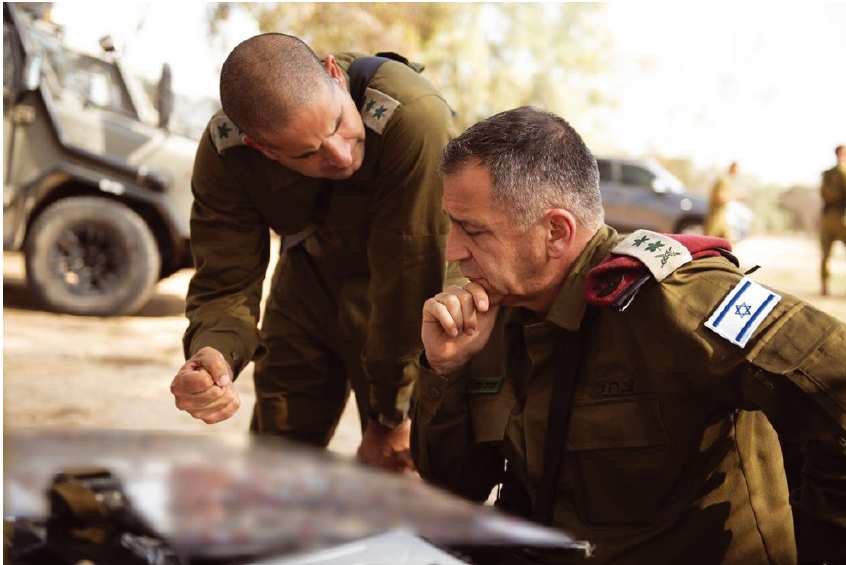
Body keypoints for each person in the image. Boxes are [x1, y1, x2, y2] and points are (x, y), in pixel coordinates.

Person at [412, 107, 846, 563]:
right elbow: (455, 489)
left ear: (555, 232)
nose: (453, 251)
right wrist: (448, 369)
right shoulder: (492, 314)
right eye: (452, 225)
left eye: (473, 230)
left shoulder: (677, 300)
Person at [170, 33, 457, 472]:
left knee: (408, 474)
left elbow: (411, 274)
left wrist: (391, 415)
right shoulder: (227, 152)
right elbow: (224, 283)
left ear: (334, 75)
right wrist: (212, 353)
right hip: (308, 278)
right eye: (307, 153)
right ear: (262, 149)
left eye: (339, 124)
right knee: (277, 464)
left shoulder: (412, 117)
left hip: (413, 299)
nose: (341, 157)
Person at [820, 145, 846, 296]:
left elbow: (823, 193)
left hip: (827, 216)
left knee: (825, 254)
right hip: (842, 217)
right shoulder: (843, 172)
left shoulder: (827, 174)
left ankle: (824, 287)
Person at [704, 161, 741, 240]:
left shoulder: (725, 180)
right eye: (738, 170)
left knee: (728, 243)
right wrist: (736, 194)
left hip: (722, 216)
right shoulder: (724, 180)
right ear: (733, 168)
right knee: (707, 241)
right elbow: (720, 197)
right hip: (716, 216)